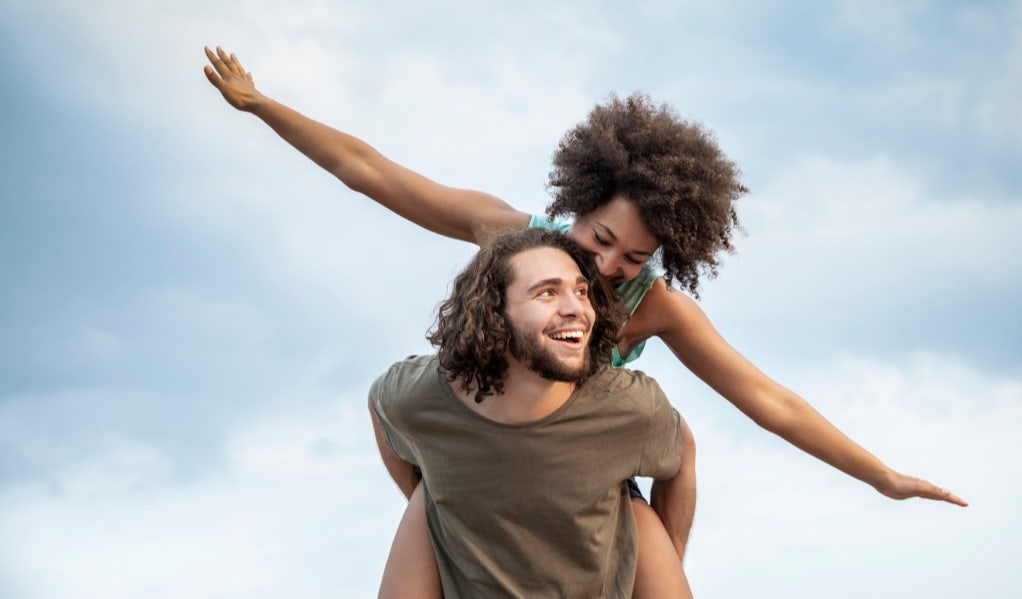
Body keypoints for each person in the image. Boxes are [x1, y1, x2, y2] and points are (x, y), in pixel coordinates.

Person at [203, 44, 967, 589]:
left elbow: (769, 401)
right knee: (432, 482)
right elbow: (370, 173)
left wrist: (882, 477)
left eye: (631, 259)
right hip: (480, 439)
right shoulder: (509, 234)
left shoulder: (656, 308)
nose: (602, 270)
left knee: (664, 469)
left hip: (591, 478)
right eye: (598, 239)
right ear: (577, 204)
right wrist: (264, 106)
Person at [369, 227, 691, 598]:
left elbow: (682, 455)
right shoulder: (423, 394)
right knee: (427, 500)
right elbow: (382, 409)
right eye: (547, 293)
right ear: (495, 315)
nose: (576, 309)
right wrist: (435, 497)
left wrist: (669, 555)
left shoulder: (627, 408)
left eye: (581, 291)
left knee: (639, 516)